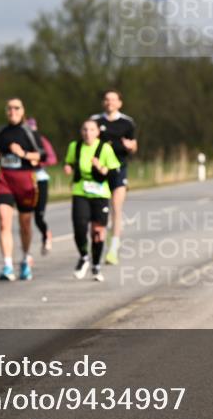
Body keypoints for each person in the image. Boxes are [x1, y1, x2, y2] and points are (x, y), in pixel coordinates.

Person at [0, 98, 45, 281]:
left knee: (25, 224)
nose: (13, 111)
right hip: (5, 180)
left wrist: (22, 153)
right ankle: (8, 265)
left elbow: (42, 155)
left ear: (23, 111)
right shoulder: (2, 131)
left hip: (25, 181)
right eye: (9, 108)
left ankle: (25, 258)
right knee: (3, 222)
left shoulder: (29, 132)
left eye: (16, 108)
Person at [64, 119, 121, 282]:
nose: (87, 133)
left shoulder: (105, 148)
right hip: (80, 191)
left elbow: (114, 171)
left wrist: (101, 168)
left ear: (97, 132)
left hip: (100, 194)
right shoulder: (75, 146)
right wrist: (68, 167)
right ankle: (84, 256)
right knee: (79, 228)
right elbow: (69, 161)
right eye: (85, 130)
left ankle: (96, 264)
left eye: (91, 130)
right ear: (81, 132)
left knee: (98, 231)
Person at [90, 89, 136, 266]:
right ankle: (97, 246)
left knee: (116, 207)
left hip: (118, 169)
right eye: (107, 99)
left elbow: (134, 146)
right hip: (98, 170)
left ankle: (113, 250)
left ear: (119, 103)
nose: (110, 102)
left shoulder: (127, 122)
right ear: (103, 102)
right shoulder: (95, 120)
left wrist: (130, 146)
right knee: (99, 211)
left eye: (113, 99)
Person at [27, 117, 58, 255]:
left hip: (40, 180)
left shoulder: (41, 140)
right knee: (25, 217)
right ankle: (26, 253)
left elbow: (52, 158)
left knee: (39, 216)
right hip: (25, 181)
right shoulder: (19, 141)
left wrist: (39, 162)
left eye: (33, 128)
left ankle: (46, 235)